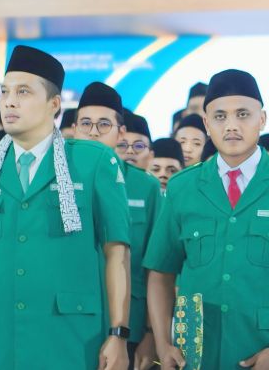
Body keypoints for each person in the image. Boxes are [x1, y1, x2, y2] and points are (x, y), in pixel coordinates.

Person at [0, 45, 132, 370]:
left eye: (23, 92)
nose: (9, 101)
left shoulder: (93, 161)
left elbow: (117, 253)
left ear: (54, 104)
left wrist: (118, 334)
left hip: (70, 341)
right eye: (5, 92)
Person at [143, 68, 269, 370]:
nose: (231, 125)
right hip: (195, 356)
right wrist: (164, 344)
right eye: (220, 116)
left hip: (267, 351)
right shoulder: (182, 187)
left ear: (262, 119)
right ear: (207, 123)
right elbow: (160, 273)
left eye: (243, 114)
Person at [73, 81, 162, 369]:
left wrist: (151, 333)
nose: (93, 132)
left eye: (103, 124)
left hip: (130, 325)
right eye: (85, 123)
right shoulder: (54, 180)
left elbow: (156, 266)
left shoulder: (146, 186)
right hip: (71, 320)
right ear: (74, 129)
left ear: (120, 132)